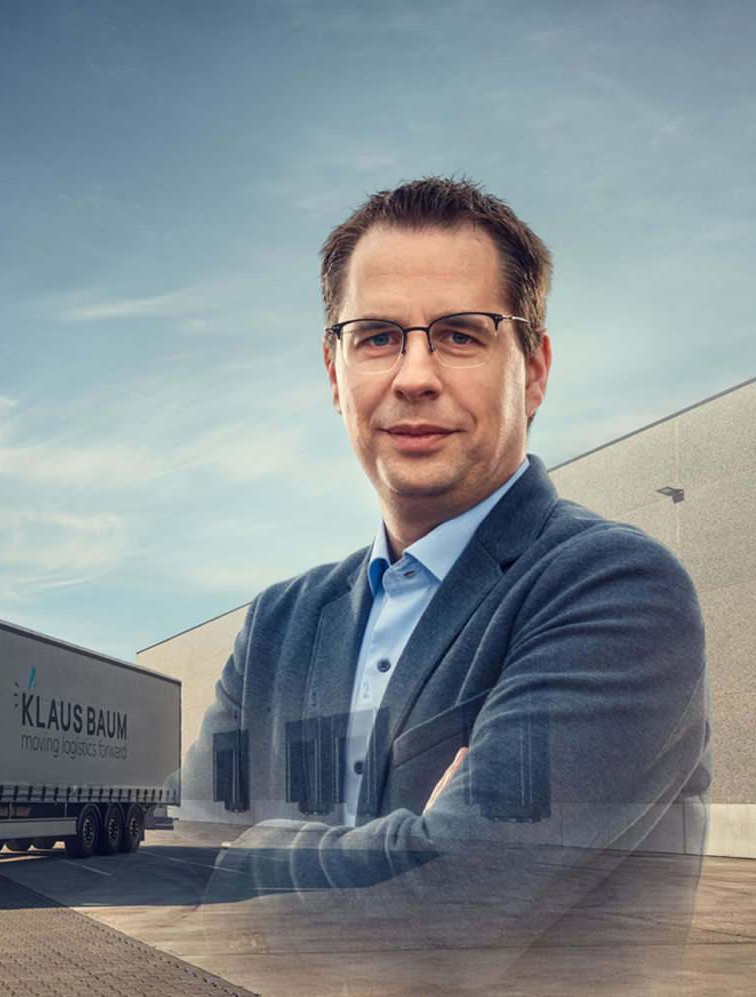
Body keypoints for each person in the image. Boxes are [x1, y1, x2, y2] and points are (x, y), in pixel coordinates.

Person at [183, 177, 711, 996]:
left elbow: (445, 913)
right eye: (379, 336)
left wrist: (246, 859)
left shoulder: (616, 590)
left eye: (461, 335)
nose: (415, 374)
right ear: (334, 371)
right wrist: (406, 847)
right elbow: (167, 880)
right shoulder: (276, 628)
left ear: (532, 368)